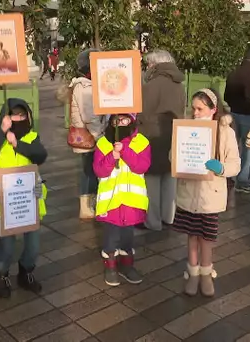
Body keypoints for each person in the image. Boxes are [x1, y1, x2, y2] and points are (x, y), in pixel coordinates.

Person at [172, 89, 240, 297]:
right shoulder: (185, 128)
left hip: (210, 195)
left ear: (213, 109)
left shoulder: (225, 132)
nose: (196, 112)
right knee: (192, 236)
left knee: (206, 239)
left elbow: (234, 163)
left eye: (200, 109)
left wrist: (221, 168)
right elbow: (172, 155)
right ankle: (193, 273)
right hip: (188, 193)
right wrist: (177, 157)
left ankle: (206, 274)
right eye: (193, 108)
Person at [0, 98, 47, 298]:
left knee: (33, 244)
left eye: (22, 115)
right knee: (7, 245)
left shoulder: (32, 138)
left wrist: (17, 144)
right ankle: (2, 273)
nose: (18, 118)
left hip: (30, 202)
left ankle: (26, 271)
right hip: (5, 203)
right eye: (13, 115)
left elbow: (40, 155)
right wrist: (2, 132)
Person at [93, 113, 151, 286]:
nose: (120, 124)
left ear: (132, 120)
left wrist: (124, 150)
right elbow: (99, 170)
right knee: (111, 236)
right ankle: (110, 267)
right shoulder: (103, 143)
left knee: (127, 236)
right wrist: (112, 157)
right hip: (111, 202)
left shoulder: (142, 142)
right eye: (116, 120)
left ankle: (127, 265)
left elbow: (142, 166)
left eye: (125, 120)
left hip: (132, 202)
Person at [138, 50, 186, 231]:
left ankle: (153, 221)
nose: (147, 67)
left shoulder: (150, 86)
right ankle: (169, 216)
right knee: (169, 177)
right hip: (174, 135)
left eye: (149, 64)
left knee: (151, 182)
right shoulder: (179, 84)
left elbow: (142, 113)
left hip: (152, 137)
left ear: (155, 65)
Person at [69, 49, 107, 220]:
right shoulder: (86, 87)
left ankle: (89, 204)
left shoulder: (84, 85)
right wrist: (100, 136)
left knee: (89, 170)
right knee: (90, 171)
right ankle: (86, 207)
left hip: (89, 135)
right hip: (91, 137)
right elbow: (90, 117)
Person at [224, 47, 250, 193]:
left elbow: (226, 96)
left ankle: (228, 176)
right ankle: (242, 180)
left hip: (234, 113)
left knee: (231, 147)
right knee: (248, 149)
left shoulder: (234, 72)